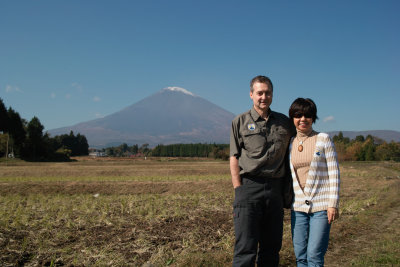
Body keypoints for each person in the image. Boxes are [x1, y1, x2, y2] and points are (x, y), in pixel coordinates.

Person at [230, 75, 295, 267]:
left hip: (275, 189)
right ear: (251, 94)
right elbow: (234, 157)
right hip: (249, 188)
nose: (263, 97)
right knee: (245, 248)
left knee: (271, 247)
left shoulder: (284, 123)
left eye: (267, 93)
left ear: (272, 95)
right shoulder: (239, 122)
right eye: (259, 93)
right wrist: (238, 189)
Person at [288, 98, 340, 267]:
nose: (303, 119)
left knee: (314, 255)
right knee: (300, 256)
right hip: (298, 208)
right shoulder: (289, 143)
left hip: (321, 207)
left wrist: (333, 204)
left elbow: (334, 173)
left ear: (313, 117)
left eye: (307, 115)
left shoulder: (323, 139)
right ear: (293, 118)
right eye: (298, 115)